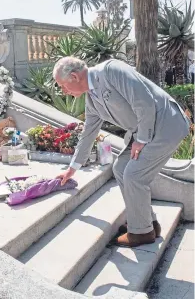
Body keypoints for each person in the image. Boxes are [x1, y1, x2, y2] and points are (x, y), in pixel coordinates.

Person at [53, 57, 190, 248]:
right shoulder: (92, 99)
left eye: (62, 85)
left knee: (134, 175)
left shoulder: (111, 71)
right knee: (120, 168)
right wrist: (72, 169)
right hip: (146, 131)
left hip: (167, 125)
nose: (63, 91)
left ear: (74, 76)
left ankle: (141, 233)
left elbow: (144, 102)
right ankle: (147, 223)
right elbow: (88, 134)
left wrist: (141, 139)